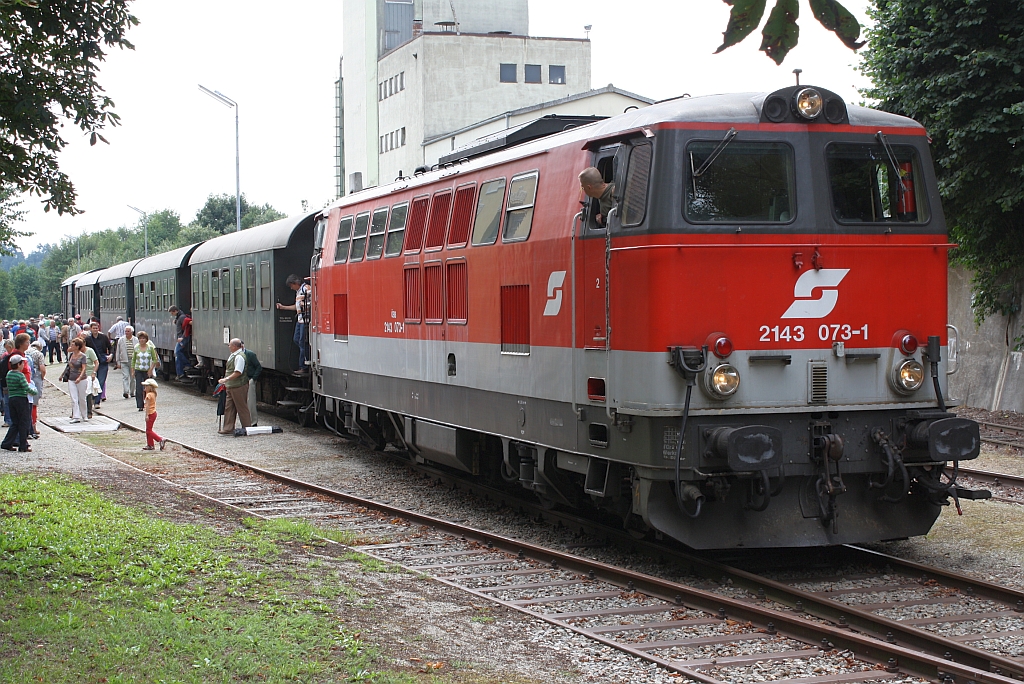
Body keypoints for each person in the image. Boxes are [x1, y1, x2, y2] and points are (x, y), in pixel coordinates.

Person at [276, 274, 310, 374]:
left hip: (306, 320)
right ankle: (305, 358)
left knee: (302, 342)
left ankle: (304, 365)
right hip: (300, 320)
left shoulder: (307, 289)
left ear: (295, 283)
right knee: (297, 340)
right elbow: (297, 307)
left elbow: (315, 302)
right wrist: (284, 307)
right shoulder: (298, 292)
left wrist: (305, 305)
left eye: (291, 286)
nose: (291, 288)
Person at [1, 355, 36, 452]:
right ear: (19, 364)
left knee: (15, 423)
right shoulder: (20, 375)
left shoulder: (9, 374)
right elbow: (26, 388)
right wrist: (34, 392)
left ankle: (7, 443)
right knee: (24, 422)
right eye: (22, 363)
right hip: (21, 399)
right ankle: (23, 445)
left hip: (12, 399)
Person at [218, 338, 251, 434]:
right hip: (232, 385)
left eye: (230, 345)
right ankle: (228, 428)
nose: (228, 346)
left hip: (238, 385)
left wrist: (226, 379)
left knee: (241, 407)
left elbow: (238, 372)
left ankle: (247, 427)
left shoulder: (239, 357)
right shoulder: (234, 355)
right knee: (229, 407)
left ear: (235, 346)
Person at [131, 331, 159, 412]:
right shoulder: (136, 347)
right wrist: (132, 371)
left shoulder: (150, 348)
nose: (142, 340)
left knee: (148, 388)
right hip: (138, 369)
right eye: (140, 338)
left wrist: (151, 369)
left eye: (143, 338)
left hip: (147, 370)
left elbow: (154, 359)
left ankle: (148, 403)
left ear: (146, 340)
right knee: (139, 388)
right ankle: (140, 405)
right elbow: (133, 360)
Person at [85, 321, 112, 402]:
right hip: (92, 363)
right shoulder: (88, 339)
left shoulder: (103, 337)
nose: (95, 330)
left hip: (103, 361)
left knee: (101, 381)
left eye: (96, 328)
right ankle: (93, 397)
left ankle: (97, 401)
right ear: (90, 329)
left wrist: (111, 355)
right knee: (92, 381)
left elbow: (110, 347)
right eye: (94, 328)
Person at [66, 338, 89, 423]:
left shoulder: (83, 356)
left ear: (77, 346)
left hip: (81, 379)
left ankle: (84, 414)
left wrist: (80, 377)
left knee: (82, 398)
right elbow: (68, 367)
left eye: (73, 345)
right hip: (71, 378)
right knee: (73, 398)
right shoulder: (71, 355)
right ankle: (76, 416)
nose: (71, 346)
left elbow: (84, 368)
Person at [26, 339, 45, 439]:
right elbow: (42, 368)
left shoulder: (25, 352)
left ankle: (29, 426)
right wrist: (42, 377)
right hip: (36, 377)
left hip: (27, 377)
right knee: (34, 402)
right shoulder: (39, 354)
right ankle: (33, 425)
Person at [140, 378, 166, 451]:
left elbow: (147, 406)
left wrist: (146, 415)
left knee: (148, 430)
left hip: (150, 413)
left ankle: (160, 439)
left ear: (149, 387)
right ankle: (150, 444)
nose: (144, 388)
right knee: (148, 429)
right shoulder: (153, 394)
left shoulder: (148, 395)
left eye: (145, 387)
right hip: (153, 413)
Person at [241, 341, 262, 426]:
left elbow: (258, 367)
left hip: (249, 379)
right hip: (242, 380)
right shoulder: (236, 355)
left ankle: (253, 422)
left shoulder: (250, 354)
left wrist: (253, 378)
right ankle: (246, 421)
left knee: (251, 401)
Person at [114, 326, 137, 399]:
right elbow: (118, 351)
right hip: (124, 361)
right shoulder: (121, 340)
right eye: (126, 331)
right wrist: (118, 362)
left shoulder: (135, 339)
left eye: (128, 331)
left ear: (132, 332)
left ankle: (132, 392)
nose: (126, 333)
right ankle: (126, 392)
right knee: (125, 376)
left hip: (133, 361)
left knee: (133, 377)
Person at [169, 305, 191, 380]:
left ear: (175, 311)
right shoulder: (179, 317)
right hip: (181, 338)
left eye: (172, 313)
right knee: (177, 354)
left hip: (183, 338)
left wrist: (182, 337)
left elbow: (187, 326)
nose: (172, 315)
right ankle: (180, 373)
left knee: (177, 352)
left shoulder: (182, 317)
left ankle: (187, 364)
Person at [0, 339, 13, 427]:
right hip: (5, 382)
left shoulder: (8, 357)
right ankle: (8, 419)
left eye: (8, 348)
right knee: (7, 402)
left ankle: (9, 419)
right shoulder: (6, 357)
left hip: (6, 382)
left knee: (7, 401)